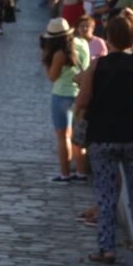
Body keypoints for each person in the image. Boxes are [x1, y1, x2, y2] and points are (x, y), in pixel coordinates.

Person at [76, 14, 133, 266]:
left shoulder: (98, 65)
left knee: (105, 193)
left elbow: (82, 101)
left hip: (102, 136)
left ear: (107, 36)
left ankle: (107, 248)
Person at [41, 18, 91, 183]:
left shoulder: (59, 54)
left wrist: (45, 59)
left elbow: (52, 77)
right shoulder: (83, 44)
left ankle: (65, 174)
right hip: (80, 94)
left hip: (62, 95)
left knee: (63, 137)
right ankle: (82, 172)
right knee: (79, 137)